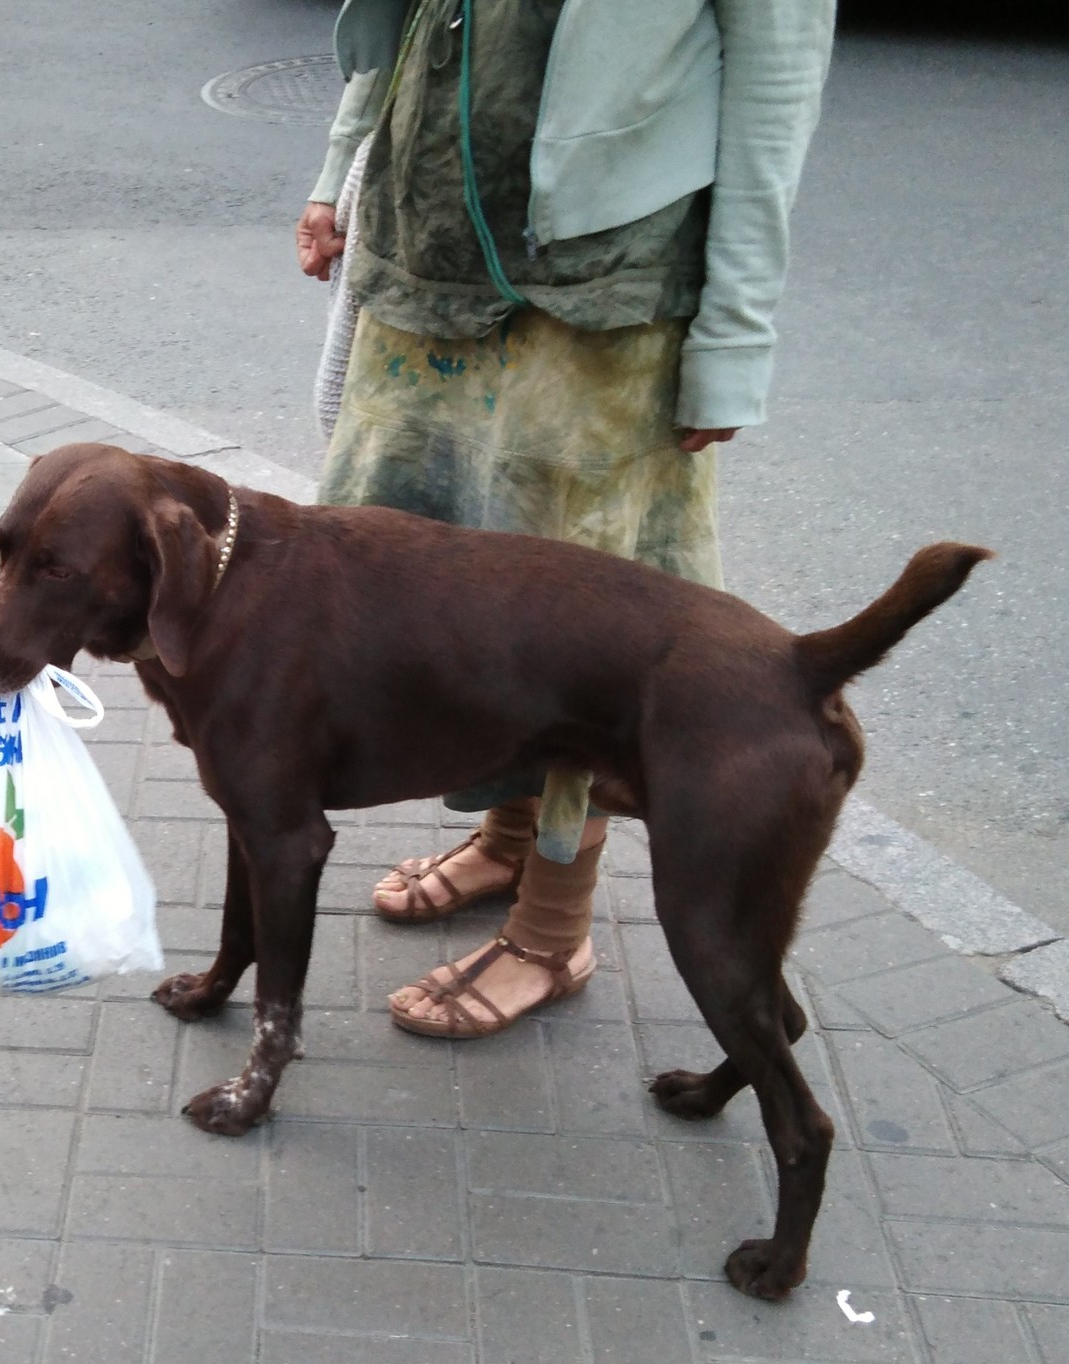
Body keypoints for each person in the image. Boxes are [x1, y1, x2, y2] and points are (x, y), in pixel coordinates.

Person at [299, 0, 834, 1037]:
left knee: (577, 632)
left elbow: (772, 97)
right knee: (440, 604)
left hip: (599, 300)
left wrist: (731, 340)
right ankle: (505, 841)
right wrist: (336, 174)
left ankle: (552, 929)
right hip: (427, 264)